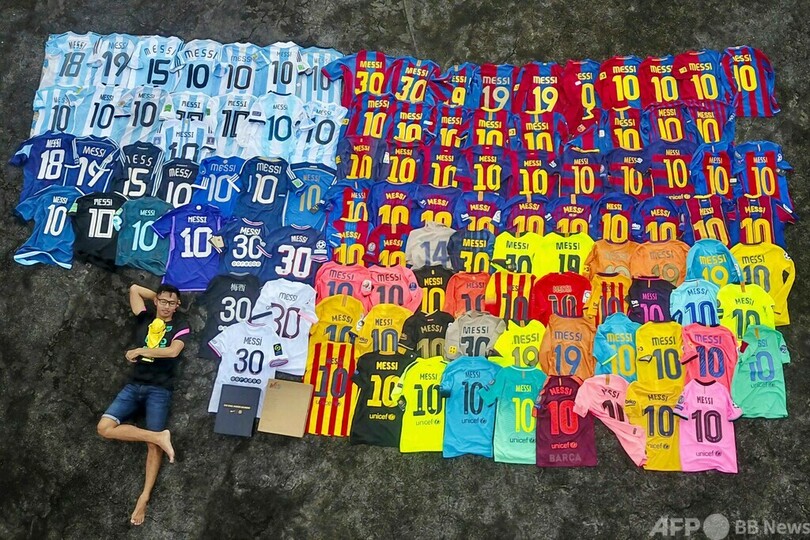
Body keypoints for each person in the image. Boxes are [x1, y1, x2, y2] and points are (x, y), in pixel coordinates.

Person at [96, 283, 190, 526]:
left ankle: (144, 497)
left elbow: (172, 352)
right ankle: (159, 436)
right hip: (133, 385)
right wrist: (158, 297)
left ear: (178, 306)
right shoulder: (145, 318)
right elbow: (134, 289)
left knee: (153, 448)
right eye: (163, 301)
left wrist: (140, 350)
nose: (167, 306)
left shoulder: (181, 325)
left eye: (172, 303)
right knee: (104, 428)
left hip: (159, 389)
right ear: (156, 301)